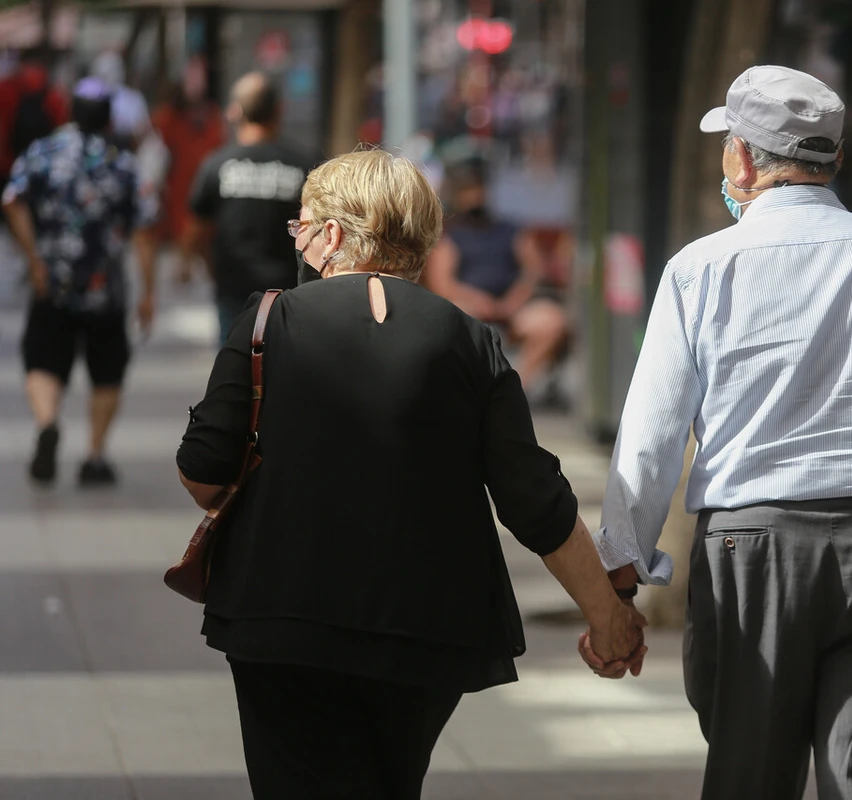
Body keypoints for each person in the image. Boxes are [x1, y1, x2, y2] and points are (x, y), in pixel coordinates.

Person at [175, 149, 645, 798]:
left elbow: (203, 475)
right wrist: (608, 616)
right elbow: (535, 500)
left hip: (279, 613)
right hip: (426, 628)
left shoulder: (267, 321)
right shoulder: (471, 341)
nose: (299, 240)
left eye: (301, 226)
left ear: (333, 234)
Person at [581, 67, 852, 799]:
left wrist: (619, 584)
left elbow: (651, 440)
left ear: (741, 157)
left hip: (752, 552)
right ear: (832, 159)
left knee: (750, 776)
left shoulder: (700, 269)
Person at [1, 77, 157, 485]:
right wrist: (149, 291)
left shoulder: (42, 152)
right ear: (109, 117)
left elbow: (12, 199)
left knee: (42, 359)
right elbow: (143, 230)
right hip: (105, 289)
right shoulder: (122, 163)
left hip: (50, 282)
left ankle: (48, 422)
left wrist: (33, 256)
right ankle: (94, 456)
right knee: (107, 372)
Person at [425, 162, 570, 390]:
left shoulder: (511, 230)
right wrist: (478, 301)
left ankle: (515, 386)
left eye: (478, 189)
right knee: (460, 319)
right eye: (468, 191)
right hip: (471, 311)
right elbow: (444, 284)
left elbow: (533, 270)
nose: (475, 197)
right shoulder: (449, 237)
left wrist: (513, 301)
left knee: (552, 321)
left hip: (511, 311)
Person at [188, 71, 309, 344]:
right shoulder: (303, 165)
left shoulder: (217, 164)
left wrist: (213, 270)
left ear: (234, 112)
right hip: (288, 294)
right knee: (284, 376)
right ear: (279, 110)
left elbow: (196, 231)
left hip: (234, 293)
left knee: (234, 375)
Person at [152, 57, 225, 278]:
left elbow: (219, 141)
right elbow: (158, 142)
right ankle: (184, 264)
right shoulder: (170, 114)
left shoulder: (211, 112)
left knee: (203, 227)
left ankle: (203, 269)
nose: (195, 83)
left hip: (203, 176)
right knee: (182, 222)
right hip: (179, 180)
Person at [0, 51, 68, 191]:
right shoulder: (54, 94)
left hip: (9, 168)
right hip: (44, 170)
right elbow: (61, 133)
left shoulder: (5, 89)